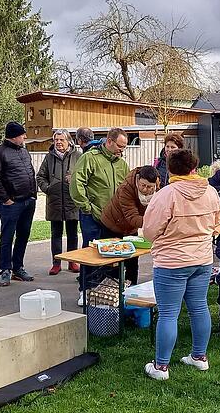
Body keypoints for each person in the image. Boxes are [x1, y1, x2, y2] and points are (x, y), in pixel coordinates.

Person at [142, 149, 220, 380]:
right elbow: (218, 222)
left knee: (168, 314)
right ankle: (199, 357)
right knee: (199, 307)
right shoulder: (210, 191)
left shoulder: (166, 194)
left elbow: (149, 232)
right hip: (202, 259)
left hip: (172, 262)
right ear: (194, 168)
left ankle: (161, 367)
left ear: (169, 169)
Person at [70, 128, 129, 306]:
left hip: (114, 218)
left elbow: (127, 187)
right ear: (109, 141)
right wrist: (86, 207)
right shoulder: (90, 158)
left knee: (112, 256)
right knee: (92, 254)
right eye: (119, 146)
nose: (122, 150)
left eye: (124, 147)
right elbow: (76, 182)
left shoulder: (121, 163)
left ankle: (107, 291)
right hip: (92, 216)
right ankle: (85, 290)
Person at [0, 121, 37, 287]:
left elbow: (30, 172)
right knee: (7, 237)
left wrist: (33, 195)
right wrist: (6, 199)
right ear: (15, 136)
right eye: (22, 134)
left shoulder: (24, 151)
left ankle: (18, 267)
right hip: (11, 203)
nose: (24, 137)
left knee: (23, 235)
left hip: (28, 201)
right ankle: (5, 270)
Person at [100, 165, 159, 285]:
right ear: (138, 179)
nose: (146, 189)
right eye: (143, 185)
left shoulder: (158, 188)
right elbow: (132, 217)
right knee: (114, 262)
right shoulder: (126, 189)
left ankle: (132, 289)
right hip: (113, 224)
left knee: (132, 260)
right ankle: (113, 290)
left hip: (131, 229)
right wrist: (155, 222)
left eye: (150, 187)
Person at [37, 129, 82, 276]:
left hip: (71, 201)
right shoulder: (49, 158)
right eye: (56, 140)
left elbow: (83, 176)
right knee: (56, 234)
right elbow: (40, 177)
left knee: (72, 234)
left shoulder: (78, 156)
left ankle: (72, 261)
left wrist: (74, 184)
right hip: (54, 202)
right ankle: (56, 263)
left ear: (68, 141)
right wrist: (48, 189)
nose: (58, 143)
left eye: (61, 140)